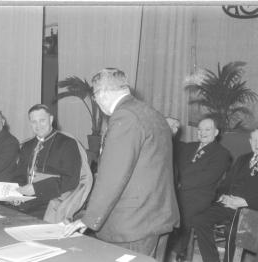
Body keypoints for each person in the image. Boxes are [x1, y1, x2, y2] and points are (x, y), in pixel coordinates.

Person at [64, 68, 179, 260]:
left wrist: (89, 219)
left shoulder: (125, 117)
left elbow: (113, 175)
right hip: (157, 215)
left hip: (132, 224)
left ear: (101, 94)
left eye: (95, 96)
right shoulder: (151, 113)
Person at [168, 117, 232, 260]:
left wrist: (177, 183)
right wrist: (169, 129)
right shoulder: (189, 147)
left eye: (207, 129)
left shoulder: (222, 153)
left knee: (182, 212)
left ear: (216, 132)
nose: (202, 133)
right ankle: (162, 248)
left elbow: (205, 179)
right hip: (179, 193)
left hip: (199, 198)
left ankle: (174, 252)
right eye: (200, 129)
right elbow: (169, 144)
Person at [191, 128, 258, 262]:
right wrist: (222, 197)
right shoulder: (243, 159)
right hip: (230, 204)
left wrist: (245, 202)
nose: (257, 144)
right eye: (255, 140)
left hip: (252, 209)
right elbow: (226, 184)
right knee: (199, 219)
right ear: (250, 142)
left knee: (232, 231)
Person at [9, 104, 82, 220]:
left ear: (51, 119)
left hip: (52, 203)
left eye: (42, 120)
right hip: (25, 201)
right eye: (34, 122)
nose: (38, 126)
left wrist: (36, 188)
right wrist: (16, 193)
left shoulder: (67, 144)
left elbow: (71, 180)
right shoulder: (27, 146)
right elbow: (19, 175)